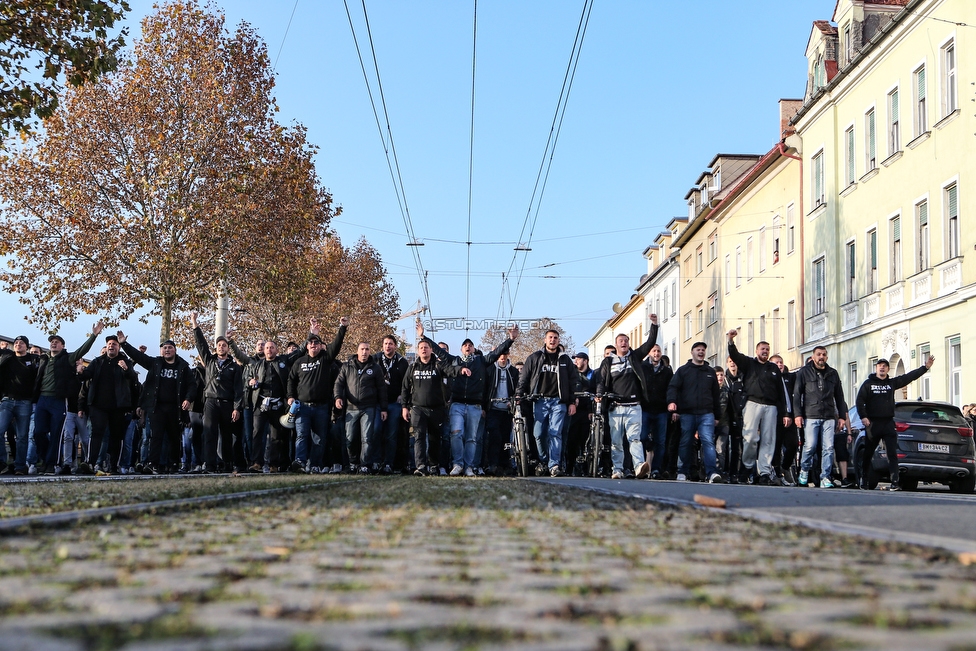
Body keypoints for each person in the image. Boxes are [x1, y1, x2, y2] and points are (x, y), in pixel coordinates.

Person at [419, 323, 517, 477]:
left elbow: (497, 352)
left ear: (473, 348)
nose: (468, 347)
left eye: (470, 345)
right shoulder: (454, 360)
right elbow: (438, 351)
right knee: (456, 434)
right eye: (465, 345)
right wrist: (423, 337)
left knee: (472, 438)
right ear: (461, 349)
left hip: (474, 406)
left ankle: (469, 467)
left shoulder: (481, 362)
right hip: (457, 404)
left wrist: (510, 340)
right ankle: (458, 464)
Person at [229, 329, 308, 473]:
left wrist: (310, 334)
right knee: (257, 434)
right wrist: (250, 382)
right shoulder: (257, 364)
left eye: (272, 347)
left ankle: (273, 464)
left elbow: (300, 351)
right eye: (267, 348)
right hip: (260, 404)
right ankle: (256, 463)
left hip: (278, 404)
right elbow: (247, 378)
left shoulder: (284, 361)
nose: (269, 350)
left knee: (276, 436)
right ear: (264, 351)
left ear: (277, 350)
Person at [119, 332, 197, 474]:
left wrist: (188, 399)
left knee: (174, 437)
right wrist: (124, 344)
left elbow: (192, 385)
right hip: (157, 407)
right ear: (161, 351)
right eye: (164, 348)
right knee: (156, 436)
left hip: (175, 407)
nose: (167, 350)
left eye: (170, 347)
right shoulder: (155, 363)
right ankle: (153, 464)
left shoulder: (183, 366)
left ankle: (173, 463)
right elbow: (139, 357)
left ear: (175, 350)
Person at [31, 323, 102, 473]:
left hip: (58, 400)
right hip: (42, 399)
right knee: (38, 432)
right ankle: (45, 457)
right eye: (52, 341)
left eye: (57, 341)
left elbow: (83, 350)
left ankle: (51, 464)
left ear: (63, 346)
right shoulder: (43, 359)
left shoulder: (68, 359)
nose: (53, 343)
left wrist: (94, 335)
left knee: (57, 433)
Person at [855, 355, 934, 490]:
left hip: (888, 423)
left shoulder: (891, 383)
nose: (882, 368)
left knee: (892, 453)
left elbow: (909, 377)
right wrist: (864, 417)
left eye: (885, 366)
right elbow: (860, 401)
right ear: (876, 368)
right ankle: (864, 479)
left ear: (888, 370)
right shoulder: (868, 384)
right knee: (868, 452)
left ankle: (895, 482)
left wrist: (925, 368)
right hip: (873, 423)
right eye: (880, 366)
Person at [597, 315, 659, 480]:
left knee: (635, 439)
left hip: (634, 406)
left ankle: (639, 467)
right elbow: (601, 381)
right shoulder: (608, 362)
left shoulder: (635, 357)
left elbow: (649, 343)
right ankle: (617, 469)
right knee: (616, 441)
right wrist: (599, 395)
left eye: (626, 340)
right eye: (621, 341)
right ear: (616, 344)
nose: (624, 343)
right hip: (616, 407)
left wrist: (654, 324)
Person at [401, 324, 468, 475]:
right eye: (421, 347)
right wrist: (405, 407)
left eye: (426, 347)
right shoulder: (412, 367)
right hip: (417, 408)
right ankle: (420, 466)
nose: (424, 349)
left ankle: (433, 465)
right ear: (418, 351)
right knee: (419, 437)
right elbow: (405, 388)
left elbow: (451, 370)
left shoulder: (438, 365)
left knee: (434, 439)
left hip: (436, 409)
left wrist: (461, 370)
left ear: (431, 350)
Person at [727, 331, 789, 485]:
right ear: (757, 351)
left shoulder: (774, 368)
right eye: (762, 349)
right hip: (752, 404)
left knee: (768, 440)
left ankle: (764, 472)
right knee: (750, 438)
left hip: (771, 407)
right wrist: (730, 340)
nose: (765, 351)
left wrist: (785, 413)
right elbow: (734, 355)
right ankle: (747, 467)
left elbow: (781, 392)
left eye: (767, 349)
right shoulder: (749, 363)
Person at [287, 317, 348, 473]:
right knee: (301, 435)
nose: (313, 345)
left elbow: (336, 345)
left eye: (316, 343)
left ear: (321, 346)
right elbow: (291, 380)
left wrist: (342, 327)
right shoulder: (299, 362)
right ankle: (300, 462)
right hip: (302, 407)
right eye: (311, 343)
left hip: (321, 407)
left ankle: (315, 465)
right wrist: (290, 396)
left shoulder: (325, 359)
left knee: (319, 439)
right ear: (307, 346)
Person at [517, 329, 580, 477]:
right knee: (538, 434)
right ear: (545, 340)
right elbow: (524, 378)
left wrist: (572, 401)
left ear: (559, 341)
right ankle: (544, 460)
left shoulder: (565, 360)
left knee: (555, 433)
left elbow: (574, 381)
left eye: (555, 338)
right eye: (550, 337)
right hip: (540, 401)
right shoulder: (535, 358)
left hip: (559, 402)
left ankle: (554, 465)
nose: (553, 340)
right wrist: (519, 394)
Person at [191, 312, 246, 472]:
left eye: (224, 345)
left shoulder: (234, 367)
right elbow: (201, 344)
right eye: (219, 345)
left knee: (227, 435)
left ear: (228, 348)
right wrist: (195, 324)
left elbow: (238, 388)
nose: (221, 347)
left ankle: (228, 464)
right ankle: (210, 464)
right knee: (209, 434)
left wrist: (237, 408)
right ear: (215, 347)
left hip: (227, 403)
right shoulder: (209, 360)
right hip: (210, 402)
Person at [78, 333, 137, 475]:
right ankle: (90, 463)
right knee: (96, 434)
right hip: (98, 405)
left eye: (114, 344)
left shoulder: (124, 361)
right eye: (109, 344)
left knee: (116, 436)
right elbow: (87, 375)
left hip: (118, 406)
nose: (111, 346)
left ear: (118, 347)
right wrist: (80, 371)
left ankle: (114, 466)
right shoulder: (98, 361)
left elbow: (133, 378)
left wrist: (126, 369)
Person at [792, 346, 848, 489]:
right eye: (818, 354)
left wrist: (842, 417)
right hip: (811, 415)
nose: (821, 357)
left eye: (823, 354)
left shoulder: (833, 374)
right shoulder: (804, 372)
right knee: (810, 446)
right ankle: (804, 471)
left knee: (828, 448)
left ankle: (825, 477)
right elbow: (797, 395)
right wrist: (797, 414)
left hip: (829, 415)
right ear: (813, 356)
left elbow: (840, 397)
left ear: (827, 357)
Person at [666, 341, 723, 483]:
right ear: (692, 352)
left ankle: (711, 473)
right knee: (686, 442)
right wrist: (672, 403)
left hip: (707, 413)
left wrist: (717, 415)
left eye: (703, 350)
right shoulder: (683, 370)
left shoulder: (710, 372)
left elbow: (716, 395)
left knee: (708, 442)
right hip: (687, 413)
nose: (701, 352)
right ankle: (682, 472)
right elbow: (673, 387)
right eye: (698, 349)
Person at [334, 342, 387, 474]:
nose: (364, 352)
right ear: (357, 351)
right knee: (350, 438)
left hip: (368, 408)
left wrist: (384, 408)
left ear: (370, 351)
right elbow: (338, 384)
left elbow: (382, 389)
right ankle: (353, 464)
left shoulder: (375, 368)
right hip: (351, 408)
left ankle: (364, 465)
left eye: (367, 349)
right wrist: (338, 397)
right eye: (362, 349)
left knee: (367, 438)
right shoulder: (347, 366)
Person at [0, 336, 40, 475]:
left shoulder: (33, 360)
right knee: (0, 430)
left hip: (25, 402)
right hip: (7, 400)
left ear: (26, 346)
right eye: (16, 343)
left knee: (22, 436)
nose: (18, 345)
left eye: (21, 343)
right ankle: (2, 462)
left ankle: (19, 466)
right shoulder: (8, 358)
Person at [373, 334, 408, 474]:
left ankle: (388, 463)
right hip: (377, 404)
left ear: (395, 346)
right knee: (375, 431)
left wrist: (402, 396)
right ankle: (376, 462)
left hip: (394, 404)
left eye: (391, 344)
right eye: (386, 343)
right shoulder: (374, 359)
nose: (388, 346)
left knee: (391, 435)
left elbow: (407, 383)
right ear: (382, 345)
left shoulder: (402, 362)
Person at [484, 352, 519, 476]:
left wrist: (513, 400)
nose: (502, 357)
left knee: (505, 438)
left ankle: (505, 465)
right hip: (493, 409)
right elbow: (485, 389)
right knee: (495, 436)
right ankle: (493, 464)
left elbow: (517, 388)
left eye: (505, 354)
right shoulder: (490, 370)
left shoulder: (514, 372)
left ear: (509, 354)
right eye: (500, 354)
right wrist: (484, 407)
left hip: (507, 410)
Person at [641, 343, 673, 479]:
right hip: (645, 408)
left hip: (661, 410)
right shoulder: (643, 367)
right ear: (649, 353)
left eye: (658, 351)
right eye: (654, 351)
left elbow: (671, 389)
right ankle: (641, 467)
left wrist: (671, 403)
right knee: (641, 438)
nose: (656, 353)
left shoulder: (666, 371)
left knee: (660, 441)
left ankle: (656, 469)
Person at [770, 354, 799, 486]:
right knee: (776, 447)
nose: (780, 365)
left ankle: (785, 467)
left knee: (793, 444)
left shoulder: (790, 378)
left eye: (781, 362)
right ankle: (776, 473)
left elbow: (801, 373)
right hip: (776, 418)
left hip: (791, 418)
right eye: (777, 363)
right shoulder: (770, 380)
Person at [566, 351, 595, 476]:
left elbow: (594, 393)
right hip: (574, 411)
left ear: (585, 360)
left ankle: (586, 468)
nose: (576, 361)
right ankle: (569, 467)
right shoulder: (573, 374)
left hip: (586, 411)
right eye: (575, 359)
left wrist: (591, 410)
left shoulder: (593, 375)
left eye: (578, 359)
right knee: (572, 441)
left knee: (585, 441)